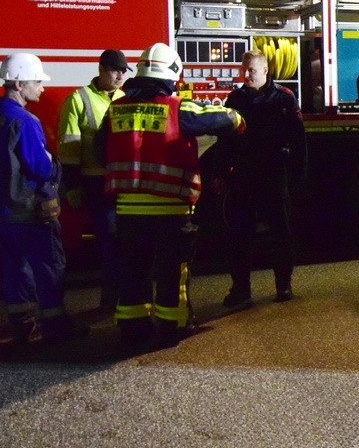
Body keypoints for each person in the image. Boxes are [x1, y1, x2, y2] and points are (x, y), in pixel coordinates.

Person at [96, 42, 245, 349]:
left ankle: (132, 329)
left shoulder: (116, 109)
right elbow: (227, 119)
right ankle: (171, 328)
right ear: (173, 73)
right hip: (169, 211)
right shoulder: (178, 108)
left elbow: (100, 151)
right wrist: (240, 120)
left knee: (132, 271)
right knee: (171, 271)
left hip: (127, 211)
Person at [0, 53, 87, 345]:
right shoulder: (24, 121)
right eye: (37, 81)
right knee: (48, 267)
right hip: (29, 210)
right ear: (20, 82)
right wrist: (56, 165)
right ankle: (56, 326)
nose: (42, 88)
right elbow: (39, 167)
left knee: (14, 270)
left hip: (4, 214)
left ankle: (23, 328)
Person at [213, 49, 306, 308]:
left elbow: (298, 140)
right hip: (243, 176)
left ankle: (283, 285)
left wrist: (298, 176)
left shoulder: (284, 98)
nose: (246, 75)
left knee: (281, 233)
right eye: (244, 70)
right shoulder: (235, 98)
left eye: (251, 70)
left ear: (265, 70)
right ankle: (241, 290)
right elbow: (225, 139)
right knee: (239, 236)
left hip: (273, 175)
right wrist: (221, 173)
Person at [57, 49, 130, 310]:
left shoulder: (124, 97)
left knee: (125, 240)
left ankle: (124, 296)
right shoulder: (78, 99)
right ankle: (111, 300)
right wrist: (73, 185)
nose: (120, 75)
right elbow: (69, 146)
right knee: (110, 239)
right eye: (115, 70)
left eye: (123, 70)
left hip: (123, 182)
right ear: (101, 69)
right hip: (95, 182)